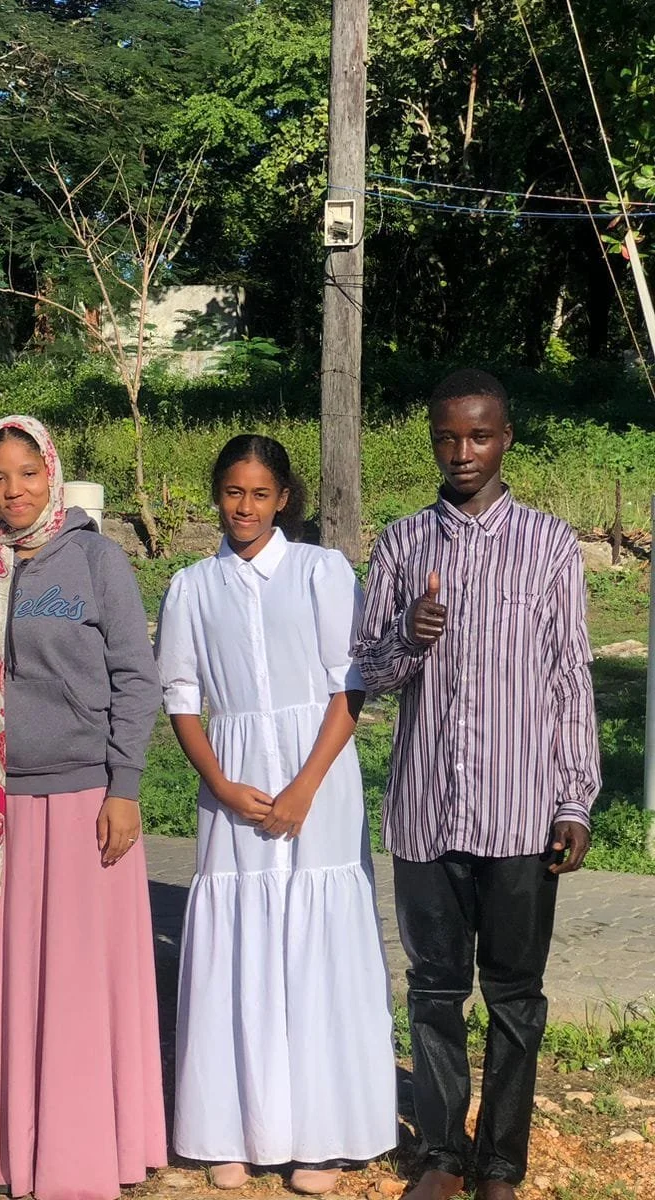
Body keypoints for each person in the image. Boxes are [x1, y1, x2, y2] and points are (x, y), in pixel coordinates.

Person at [355, 370, 599, 1200]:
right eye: (448, 438)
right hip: (427, 810)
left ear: (506, 437)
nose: (463, 453)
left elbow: (570, 677)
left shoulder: (549, 544)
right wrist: (408, 637)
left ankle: (499, 1161)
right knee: (432, 992)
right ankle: (439, 1156)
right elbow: (366, 671)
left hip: (524, 811)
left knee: (516, 996)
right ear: (432, 439)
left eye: (480, 435)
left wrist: (575, 802)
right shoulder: (400, 545)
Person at [155, 435, 396, 1194]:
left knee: (312, 941)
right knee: (241, 945)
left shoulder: (324, 572)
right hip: (232, 787)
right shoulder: (191, 585)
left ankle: (318, 1137)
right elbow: (183, 698)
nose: (245, 507)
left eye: (261, 494)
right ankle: (232, 1126)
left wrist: (304, 786)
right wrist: (221, 784)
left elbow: (347, 687)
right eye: (233, 492)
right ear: (216, 495)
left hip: (317, 780)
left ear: (284, 498)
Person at [0, 416, 166, 1200]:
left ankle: (84, 1151)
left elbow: (138, 680)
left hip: (83, 801)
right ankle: (4, 1146)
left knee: (77, 985)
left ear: (54, 472)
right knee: (10, 984)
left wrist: (126, 788)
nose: (13, 491)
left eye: (27, 474)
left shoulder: (97, 559)